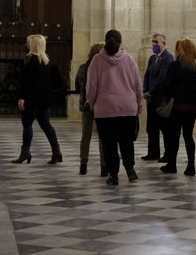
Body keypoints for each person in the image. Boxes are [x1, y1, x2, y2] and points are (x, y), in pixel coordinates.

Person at [85, 29, 143, 185]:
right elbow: (137, 84)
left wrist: (90, 102)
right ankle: (130, 171)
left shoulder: (97, 60)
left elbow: (92, 85)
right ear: (120, 41)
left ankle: (114, 175)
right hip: (127, 107)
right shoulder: (129, 60)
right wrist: (139, 102)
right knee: (127, 141)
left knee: (109, 144)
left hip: (105, 109)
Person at [158, 38, 196, 175]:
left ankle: (172, 165)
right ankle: (191, 166)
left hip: (177, 106)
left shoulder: (174, 66)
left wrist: (170, 95)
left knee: (174, 136)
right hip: (192, 107)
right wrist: (195, 95)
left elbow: (167, 86)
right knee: (188, 135)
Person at [14, 34, 66, 165]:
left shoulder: (30, 62)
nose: (26, 45)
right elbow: (59, 83)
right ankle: (56, 152)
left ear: (32, 45)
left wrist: (21, 98)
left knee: (27, 126)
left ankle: (25, 153)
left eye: (28, 42)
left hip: (31, 101)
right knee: (47, 126)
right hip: (44, 101)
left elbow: (25, 83)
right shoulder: (47, 62)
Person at [73, 43, 106, 176]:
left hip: (86, 105)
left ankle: (83, 164)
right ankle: (104, 167)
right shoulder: (103, 68)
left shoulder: (83, 67)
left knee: (86, 136)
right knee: (103, 137)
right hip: (101, 106)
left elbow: (76, 86)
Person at [141, 33, 175, 161]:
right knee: (151, 128)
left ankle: (167, 155)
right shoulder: (152, 58)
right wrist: (145, 90)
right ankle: (153, 153)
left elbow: (163, 79)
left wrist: (151, 92)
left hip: (160, 99)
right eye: (153, 42)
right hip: (151, 99)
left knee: (165, 129)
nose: (154, 44)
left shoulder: (168, 58)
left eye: (156, 42)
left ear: (163, 43)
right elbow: (147, 75)